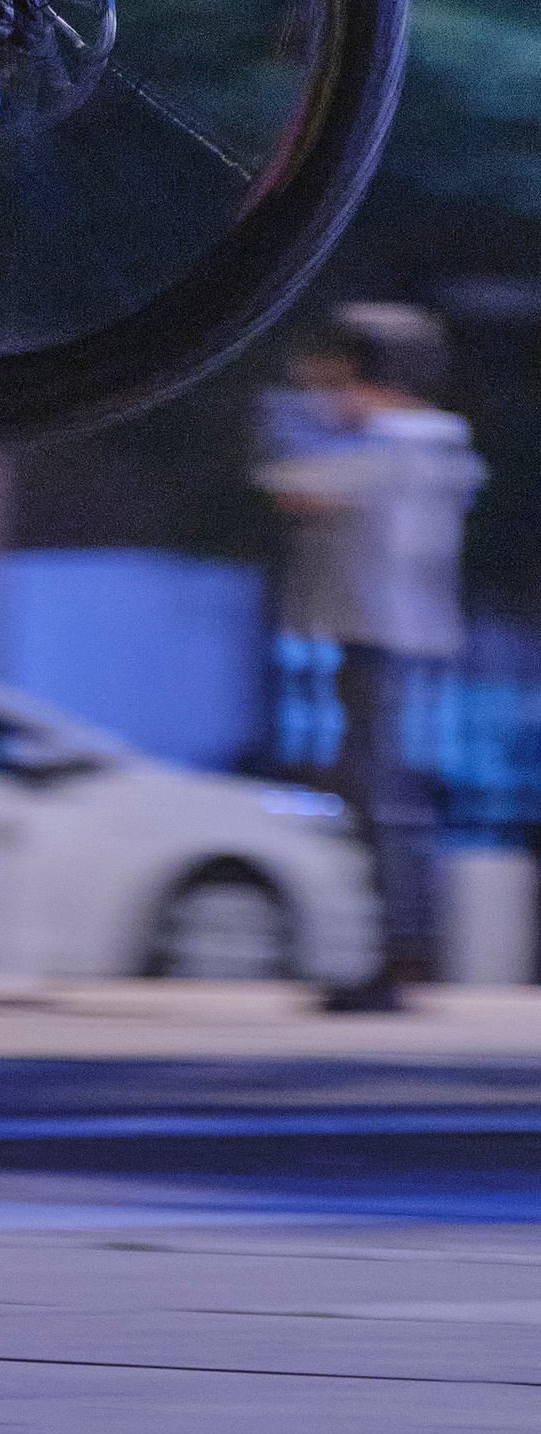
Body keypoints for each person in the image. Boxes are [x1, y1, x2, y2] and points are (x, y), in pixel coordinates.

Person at [254, 301, 485, 1009]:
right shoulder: (432, 439)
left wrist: (294, 410)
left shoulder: (399, 440)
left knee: (379, 799)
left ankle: (396, 958)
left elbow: (294, 486)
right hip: (401, 641)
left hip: (381, 641)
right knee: (384, 796)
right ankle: (397, 953)